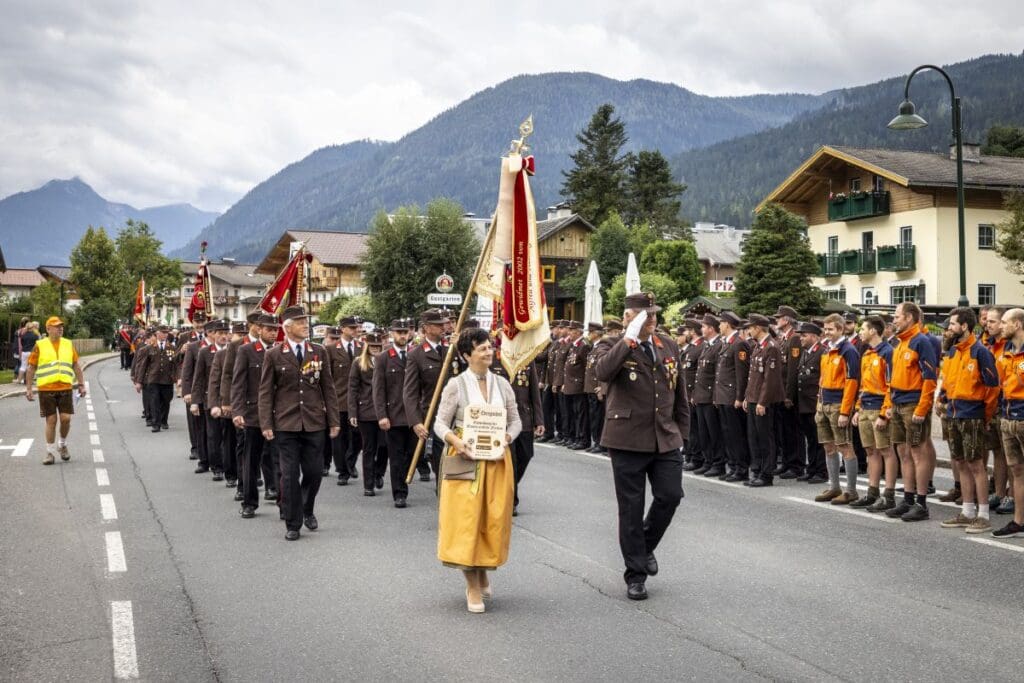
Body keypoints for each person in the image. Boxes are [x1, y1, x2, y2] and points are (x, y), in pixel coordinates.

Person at [594, 292, 689, 602]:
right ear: (628, 318)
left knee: (670, 496)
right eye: (644, 315)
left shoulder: (668, 345)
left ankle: (644, 547)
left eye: (653, 314)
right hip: (627, 439)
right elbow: (602, 372)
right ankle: (635, 574)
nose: (653, 319)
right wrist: (628, 340)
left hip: (665, 436)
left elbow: (680, 392)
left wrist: (682, 434)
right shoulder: (611, 344)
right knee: (631, 509)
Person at [434, 327, 522, 613]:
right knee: (465, 522)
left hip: (497, 462)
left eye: (489, 347)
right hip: (465, 461)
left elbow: (516, 421)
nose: (489, 352)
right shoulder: (455, 386)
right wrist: (456, 441)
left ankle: (483, 568)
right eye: (482, 348)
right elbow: (439, 424)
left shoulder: (502, 384)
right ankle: (472, 584)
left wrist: (507, 437)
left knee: (491, 520)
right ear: (466, 354)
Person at [259, 306, 340, 541]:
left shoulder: (318, 351)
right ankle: (293, 523)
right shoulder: (274, 354)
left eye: (307, 321)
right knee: (289, 474)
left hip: (314, 422)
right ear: (287, 327)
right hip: (286, 423)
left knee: (315, 473)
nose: (306, 325)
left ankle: (307, 507)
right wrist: (266, 423)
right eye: (300, 322)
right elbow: (266, 392)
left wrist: (334, 420)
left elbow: (328, 388)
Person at [937, 307, 1000, 534]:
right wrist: (942, 399)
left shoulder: (980, 351)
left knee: (976, 464)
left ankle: (983, 514)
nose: (949, 329)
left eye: (953, 324)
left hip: (973, 414)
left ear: (964, 326)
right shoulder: (953, 351)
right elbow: (947, 382)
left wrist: (985, 415)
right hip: (954, 413)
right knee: (961, 462)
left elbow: (993, 387)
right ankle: (967, 511)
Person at [882, 302, 939, 521]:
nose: (894, 320)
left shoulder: (921, 342)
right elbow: (892, 379)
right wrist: (888, 405)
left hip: (912, 404)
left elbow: (929, 378)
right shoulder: (900, 343)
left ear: (909, 317)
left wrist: (922, 408)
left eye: (897, 316)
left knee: (918, 452)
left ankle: (921, 503)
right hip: (897, 403)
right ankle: (907, 498)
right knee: (903, 452)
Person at [231, 314, 280, 518]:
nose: (273, 333)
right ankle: (249, 502)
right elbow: (238, 382)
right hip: (253, 414)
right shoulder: (246, 351)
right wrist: (238, 410)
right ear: (259, 329)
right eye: (269, 329)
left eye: (275, 329)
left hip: (278, 415)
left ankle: (282, 500)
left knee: (279, 460)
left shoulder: (280, 351)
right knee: (251, 460)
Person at [25, 317, 86, 464]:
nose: (60, 328)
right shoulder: (40, 345)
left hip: (65, 388)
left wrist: (81, 384)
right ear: (48, 329)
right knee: (51, 420)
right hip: (46, 389)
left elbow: (76, 365)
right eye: (56, 326)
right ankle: (49, 453)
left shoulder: (68, 344)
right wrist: (29, 389)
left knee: (66, 419)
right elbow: (31, 367)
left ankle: (62, 445)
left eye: (61, 326)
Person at [814, 313, 861, 505]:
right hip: (824, 402)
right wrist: (819, 399)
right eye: (825, 329)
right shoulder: (827, 349)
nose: (827, 332)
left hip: (837, 403)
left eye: (830, 329)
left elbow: (851, 382)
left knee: (845, 446)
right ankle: (834, 486)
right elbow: (823, 377)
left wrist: (845, 410)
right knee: (828, 445)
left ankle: (851, 490)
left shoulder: (848, 350)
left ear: (840, 329)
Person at [850, 316, 895, 510]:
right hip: (866, 406)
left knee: (886, 450)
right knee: (870, 451)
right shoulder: (867, 354)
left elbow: (891, 385)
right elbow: (864, 385)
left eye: (863, 328)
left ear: (874, 331)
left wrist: (885, 413)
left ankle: (889, 495)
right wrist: (858, 408)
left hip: (879, 407)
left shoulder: (887, 353)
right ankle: (872, 491)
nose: (860, 331)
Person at [404, 309, 451, 485]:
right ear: (427, 328)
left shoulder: (452, 348)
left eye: (444, 324)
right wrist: (416, 421)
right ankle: (443, 493)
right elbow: (410, 392)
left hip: (457, 412)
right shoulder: (416, 355)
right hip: (434, 413)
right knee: (440, 458)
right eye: (438, 325)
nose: (443, 327)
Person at [374, 318, 416, 507]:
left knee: (412, 454)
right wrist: (382, 415)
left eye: (405, 332)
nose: (402, 335)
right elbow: (378, 389)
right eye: (399, 332)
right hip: (394, 415)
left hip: (414, 416)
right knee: (396, 456)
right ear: (392, 334)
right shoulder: (383, 357)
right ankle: (399, 493)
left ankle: (404, 481)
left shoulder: (415, 355)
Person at [742, 314, 783, 486]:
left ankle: (766, 474)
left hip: (762, 400)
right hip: (753, 398)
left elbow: (770, 379)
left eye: (750, 327)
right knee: (753, 437)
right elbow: (753, 377)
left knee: (765, 437)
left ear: (758, 328)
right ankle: (757, 470)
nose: (749, 330)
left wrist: (762, 402)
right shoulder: (759, 346)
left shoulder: (771, 347)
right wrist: (747, 397)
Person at [994, 308, 1024, 537]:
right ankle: (1018, 521)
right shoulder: (1006, 351)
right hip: (1007, 415)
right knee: (1017, 471)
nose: (1001, 326)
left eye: (1005, 322)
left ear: (1018, 325)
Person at [349, 332, 388, 496]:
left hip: (384, 411)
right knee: (369, 448)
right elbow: (352, 388)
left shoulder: (386, 361)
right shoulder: (359, 362)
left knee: (384, 447)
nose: (375, 349)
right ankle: (368, 484)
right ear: (367, 347)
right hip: (365, 410)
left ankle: (379, 473)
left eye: (378, 346)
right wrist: (352, 412)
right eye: (372, 346)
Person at [714, 311, 749, 481]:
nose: (719, 326)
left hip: (732, 396)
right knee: (728, 434)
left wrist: (740, 397)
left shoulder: (738, 344)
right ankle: (733, 465)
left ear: (727, 324)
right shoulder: (727, 343)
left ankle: (741, 468)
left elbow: (741, 374)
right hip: (723, 395)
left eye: (720, 323)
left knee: (736, 435)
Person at [191, 319, 228, 480]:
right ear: (213, 335)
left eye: (226, 333)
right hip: (210, 398)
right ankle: (217, 467)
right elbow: (198, 378)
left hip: (230, 400)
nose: (223, 337)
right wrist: (194, 401)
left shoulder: (235, 351)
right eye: (220, 333)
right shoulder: (205, 352)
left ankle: (230, 466)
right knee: (213, 435)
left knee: (229, 436)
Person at [328, 316, 363, 484]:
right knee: (339, 438)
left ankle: (350, 461)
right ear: (342, 329)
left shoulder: (363, 348)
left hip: (358, 400)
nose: (355, 330)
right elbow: (327, 378)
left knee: (358, 436)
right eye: (351, 327)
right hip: (339, 400)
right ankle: (342, 470)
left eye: (356, 327)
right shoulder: (331, 349)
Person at [794, 322, 827, 483]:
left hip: (814, 402)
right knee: (811, 439)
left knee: (818, 439)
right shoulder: (806, 353)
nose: (801, 338)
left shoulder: (822, 352)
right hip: (805, 403)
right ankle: (812, 468)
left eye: (804, 335)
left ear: (814, 336)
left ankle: (821, 471)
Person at [774, 306, 805, 478]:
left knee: (793, 431)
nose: (777, 321)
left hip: (789, 394)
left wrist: (788, 395)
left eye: (779, 318)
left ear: (786, 320)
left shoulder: (794, 339)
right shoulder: (782, 339)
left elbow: (793, 370)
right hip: (781, 391)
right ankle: (787, 462)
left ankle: (796, 464)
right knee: (784, 431)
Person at [692, 314, 723, 476]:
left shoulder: (718, 345)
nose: (701, 329)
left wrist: (715, 396)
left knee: (714, 433)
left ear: (711, 328)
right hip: (701, 396)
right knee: (703, 432)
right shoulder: (707, 345)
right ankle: (708, 460)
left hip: (711, 396)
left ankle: (718, 463)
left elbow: (718, 374)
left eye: (704, 326)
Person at [133, 325, 177, 432]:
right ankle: (156, 423)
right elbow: (143, 366)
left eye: (166, 332)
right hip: (153, 379)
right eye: (163, 332)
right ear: (157, 334)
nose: (165, 334)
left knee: (166, 400)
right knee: (154, 401)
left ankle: (163, 420)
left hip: (167, 380)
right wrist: (139, 381)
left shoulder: (172, 348)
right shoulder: (149, 348)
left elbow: (175, 365)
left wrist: (177, 378)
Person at [562, 321, 590, 450]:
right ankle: (576, 437)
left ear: (578, 331)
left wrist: (583, 384)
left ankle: (583, 440)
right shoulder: (574, 345)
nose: (569, 333)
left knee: (581, 415)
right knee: (574, 414)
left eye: (572, 331)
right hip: (571, 386)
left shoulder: (583, 346)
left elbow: (586, 368)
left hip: (578, 386)